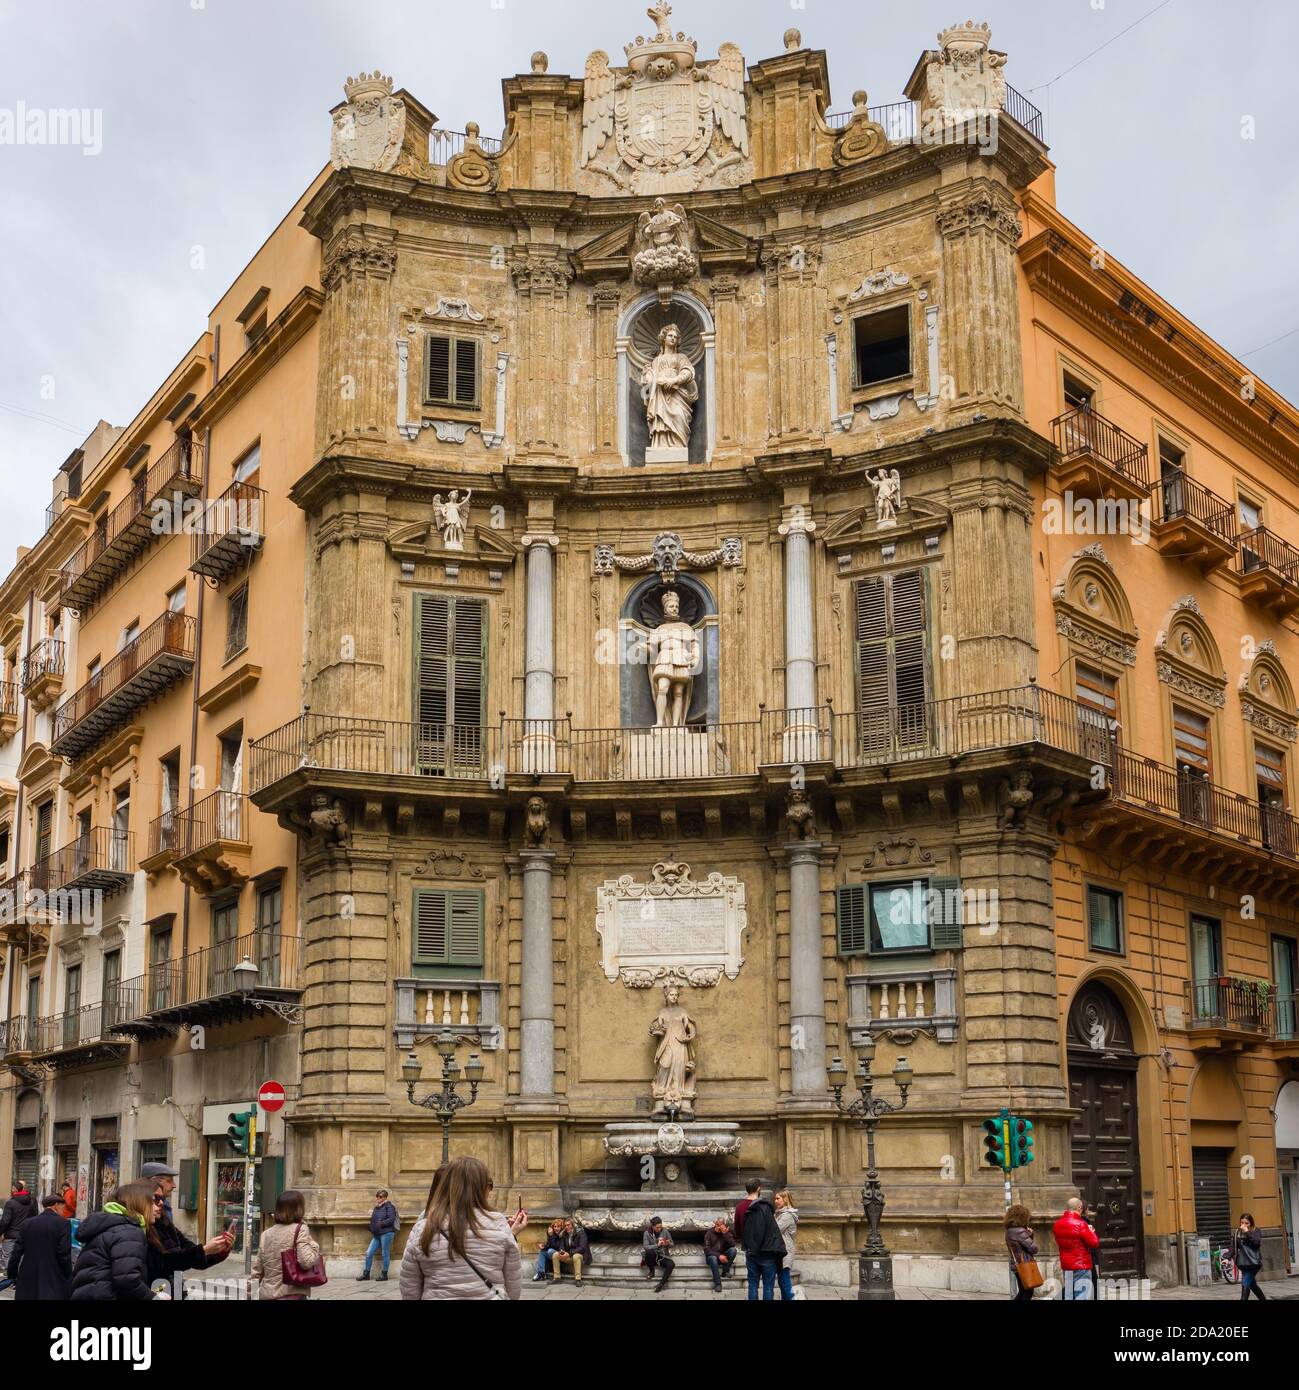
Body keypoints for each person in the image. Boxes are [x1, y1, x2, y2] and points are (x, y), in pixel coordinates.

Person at [399, 1155, 526, 1301]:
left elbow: (409, 1287)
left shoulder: (423, 1227)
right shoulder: (499, 1224)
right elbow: (513, 1287)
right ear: (482, 1187)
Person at [70, 1181, 155, 1301]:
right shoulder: (129, 1232)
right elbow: (127, 1279)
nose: (158, 1206)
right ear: (140, 1204)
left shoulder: (115, 1227)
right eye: (153, 1202)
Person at [144, 1183, 233, 1295]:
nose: (161, 1203)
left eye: (162, 1198)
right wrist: (204, 1250)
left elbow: (190, 1254)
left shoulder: (166, 1224)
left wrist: (220, 1250)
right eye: (155, 1198)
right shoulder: (138, 1230)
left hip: (175, 1289)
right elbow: (163, 1263)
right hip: (157, 1291)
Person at [252, 1190, 322, 1300]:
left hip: (267, 1295)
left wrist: (248, 1293)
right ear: (298, 1209)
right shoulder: (300, 1229)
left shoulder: (265, 1234)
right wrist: (314, 1245)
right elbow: (306, 1262)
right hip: (291, 1294)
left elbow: (257, 1271)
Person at [4, 1193, 72, 1300]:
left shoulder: (27, 1223)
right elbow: (64, 1253)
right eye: (62, 1208)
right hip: (52, 1276)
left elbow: (17, 1251)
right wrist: (68, 1276)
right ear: (56, 1205)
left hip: (28, 1274)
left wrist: (12, 1274)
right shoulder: (63, 1224)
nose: (63, 1211)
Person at [739, 1185, 791, 1301]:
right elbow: (775, 1235)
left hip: (752, 1254)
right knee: (768, 1287)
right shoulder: (769, 1214)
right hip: (768, 1255)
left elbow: (743, 1232)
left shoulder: (749, 1212)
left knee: (753, 1285)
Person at [1052, 1196, 1099, 1300]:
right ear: (1079, 1207)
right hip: (1081, 1265)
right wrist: (1091, 1232)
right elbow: (1094, 1243)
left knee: (1069, 1295)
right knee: (1082, 1295)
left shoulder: (1057, 1224)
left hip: (1067, 1265)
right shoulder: (1081, 1224)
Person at [0, 1180, 37, 1292]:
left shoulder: (10, 1203)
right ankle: (19, 1280)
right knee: (22, 1258)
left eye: (12, 1188)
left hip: (11, 1235)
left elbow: (5, 1221)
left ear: (15, 1190)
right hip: (26, 1234)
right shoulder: (31, 1201)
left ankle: (12, 1279)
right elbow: (34, 1216)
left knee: (8, 1257)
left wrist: (1, 1233)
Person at [359, 1189, 400, 1282]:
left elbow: (391, 1218)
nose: (378, 1198)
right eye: (377, 1196)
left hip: (387, 1233)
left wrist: (381, 1224)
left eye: (380, 1196)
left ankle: (384, 1274)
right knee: (369, 1253)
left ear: (385, 1197)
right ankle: (366, 1274)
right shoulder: (376, 1207)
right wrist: (371, 1227)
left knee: (385, 1253)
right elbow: (373, 1220)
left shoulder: (389, 1206)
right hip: (377, 1234)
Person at [1004, 1204, 1039, 1302]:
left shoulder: (1009, 1231)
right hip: (1024, 1265)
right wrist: (1030, 1234)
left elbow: (1020, 1246)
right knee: (1027, 1293)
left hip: (1017, 1265)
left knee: (1023, 1292)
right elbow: (1034, 1249)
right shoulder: (1019, 1231)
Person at [1232, 1213, 1266, 1301]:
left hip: (1254, 1263)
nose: (1243, 1225)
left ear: (1251, 1223)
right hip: (1243, 1263)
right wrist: (1226, 1258)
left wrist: (1247, 1232)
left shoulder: (1256, 1231)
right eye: (1242, 1223)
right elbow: (1233, 1247)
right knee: (1252, 1285)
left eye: (1246, 1223)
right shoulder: (1237, 1232)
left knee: (1245, 1283)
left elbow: (1256, 1243)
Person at [774, 1190, 800, 1299]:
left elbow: (774, 1230)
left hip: (785, 1252)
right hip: (781, 1252)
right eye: (775, 1199)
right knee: (782, 1281)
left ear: (785, 1199)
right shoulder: (779, 1214)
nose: (775, 1201)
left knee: (784, 1282)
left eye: (777, 1198)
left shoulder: (787, 1216)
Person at [703, 1216, 738, 1292]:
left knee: (733, 1250)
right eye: (718, 1225)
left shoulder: (726, 1232)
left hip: (723, 1256)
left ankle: (725, 1272)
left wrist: (725, 1233)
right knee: (713, 1258)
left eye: (722, 1225)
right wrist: (719, 1256)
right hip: (712, 1257)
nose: (720, 1227)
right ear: (715, 1224)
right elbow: (707, 1250)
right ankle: (718, 1283)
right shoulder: (709, 1233)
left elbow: (733, 1244)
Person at [641, 1218, 675, 1292]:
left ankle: (661, 1284)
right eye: (657, 1227)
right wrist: (657, 1245)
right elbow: (646, 1246)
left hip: (662, 1256)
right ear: (652, 1226)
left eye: (660, 1227)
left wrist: (668, 1244)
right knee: (649, 1252)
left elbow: (672, 1244)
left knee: (671, 1264)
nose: (659, 1229)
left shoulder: (665, 1231)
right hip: (651, 1256)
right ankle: (652, 1271)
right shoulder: (647, 1233)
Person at [552, 1218, 590, 1283]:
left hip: (581, 1256)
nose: (566, 1227)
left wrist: (569, 1253)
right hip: (569, 1256)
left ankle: (578, 1279)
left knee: (576, 1256)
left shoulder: (581, 1233)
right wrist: (562, 1251)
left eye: (568, 1225)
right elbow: (562, 1245)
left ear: (572, 1225)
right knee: (555, 1255)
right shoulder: (564, 1233)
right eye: (565, 1225)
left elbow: (582, 1248)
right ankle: (557, 1277)